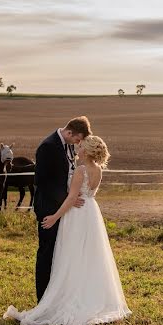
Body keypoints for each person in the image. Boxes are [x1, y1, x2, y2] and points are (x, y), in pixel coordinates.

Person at [4, 134, 131, 325]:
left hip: (77, 215)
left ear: (86, 151)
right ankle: (90, 296)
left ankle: (71, 297)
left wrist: (54, 217)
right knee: (89, 256)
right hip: (91, 212)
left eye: (80, 148)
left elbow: (72, 198)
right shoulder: (98, 169)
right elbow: (86, 194)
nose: (77, 150)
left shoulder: (81, 170)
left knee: (71, 255)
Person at [31, 117, 91, 302]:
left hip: (64, 209)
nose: (78, 143)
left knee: (60, 253)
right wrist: (68, 199)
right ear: (69, 132)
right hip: (49, 209)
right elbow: (42, 182)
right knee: (47, 253)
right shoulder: (48, 146)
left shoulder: (68, 145)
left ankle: (57, 296)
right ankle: (43, 299)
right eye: (77, 139)